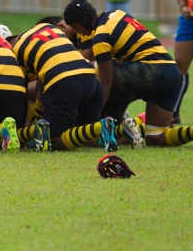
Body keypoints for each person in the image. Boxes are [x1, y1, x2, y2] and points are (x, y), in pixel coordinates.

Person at [63, 0, 193, 149]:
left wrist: (92, 117)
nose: (78, 31)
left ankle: (115, 125)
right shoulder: (117, 14)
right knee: (156, 137)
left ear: (81, 22)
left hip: (150, 70)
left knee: (94, 71)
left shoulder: (100, 36)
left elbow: (107, 81)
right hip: (170, 73)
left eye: (76, 27)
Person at [9, 21, 116, 152]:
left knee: (54, 141)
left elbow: (20, 96)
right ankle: (102, 127)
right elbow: (41, 84)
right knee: (87, 138)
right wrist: (39, 107)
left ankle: (101, 127)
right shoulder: (50, 29)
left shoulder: (16, 51)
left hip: (65, 81)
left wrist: (20, 135)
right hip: (92, 79)